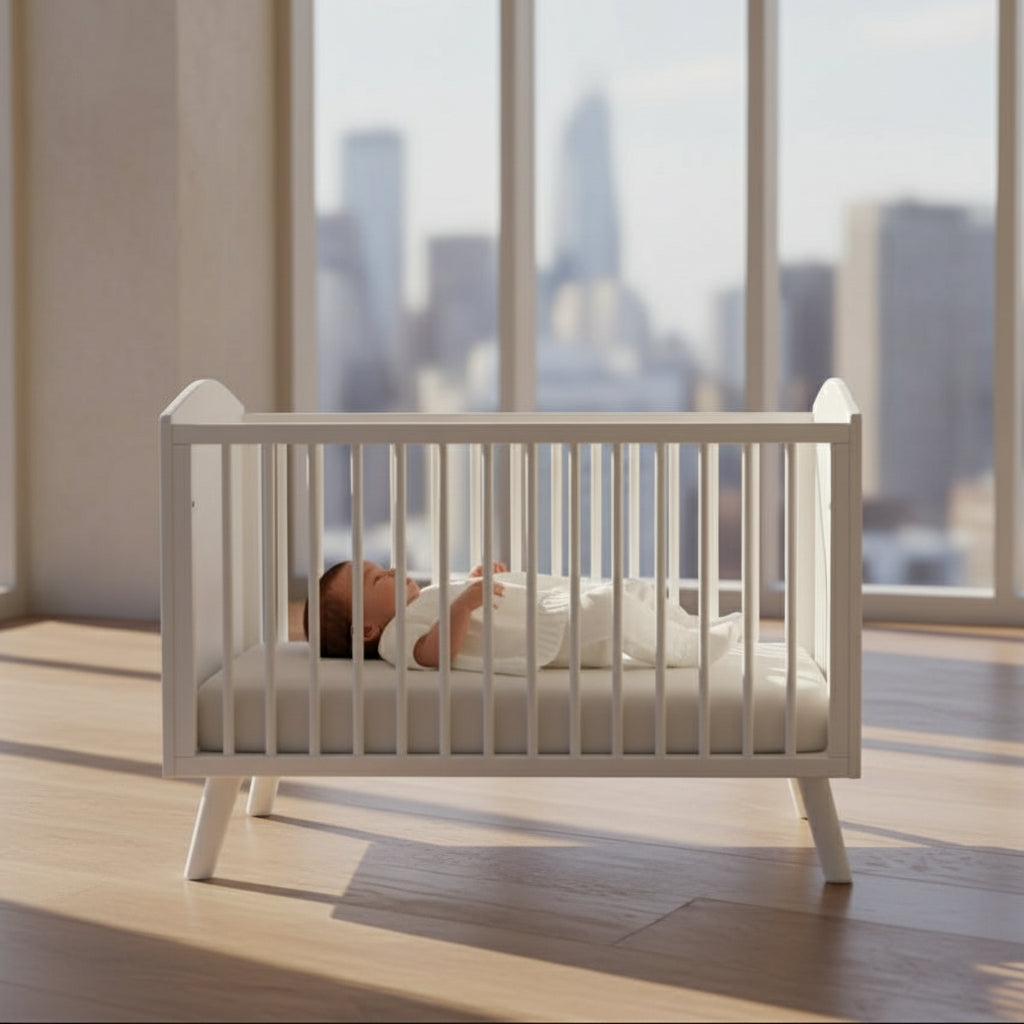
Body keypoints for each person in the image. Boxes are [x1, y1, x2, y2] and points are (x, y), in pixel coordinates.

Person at [304, 558, 741, 674]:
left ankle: (688, 625)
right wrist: (463, 604)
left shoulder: (417, 605)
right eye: (377, 579)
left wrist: (473, 583)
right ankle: (684, 649)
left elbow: (457, 612)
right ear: (366, 629)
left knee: (631, 591)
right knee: (614, 608)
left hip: (548, 608)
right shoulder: (393, 638)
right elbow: (435, 653)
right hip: (550, 633)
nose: (391, 571)